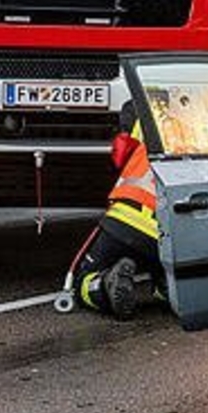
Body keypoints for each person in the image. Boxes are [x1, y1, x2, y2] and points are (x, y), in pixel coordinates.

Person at [70, 107, 160, 319]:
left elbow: (120, 155)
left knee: (81, 282)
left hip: (127, 216)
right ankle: (164, 286)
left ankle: (102, 285)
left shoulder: (147, 108)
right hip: (174, 230)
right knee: (174, 272)